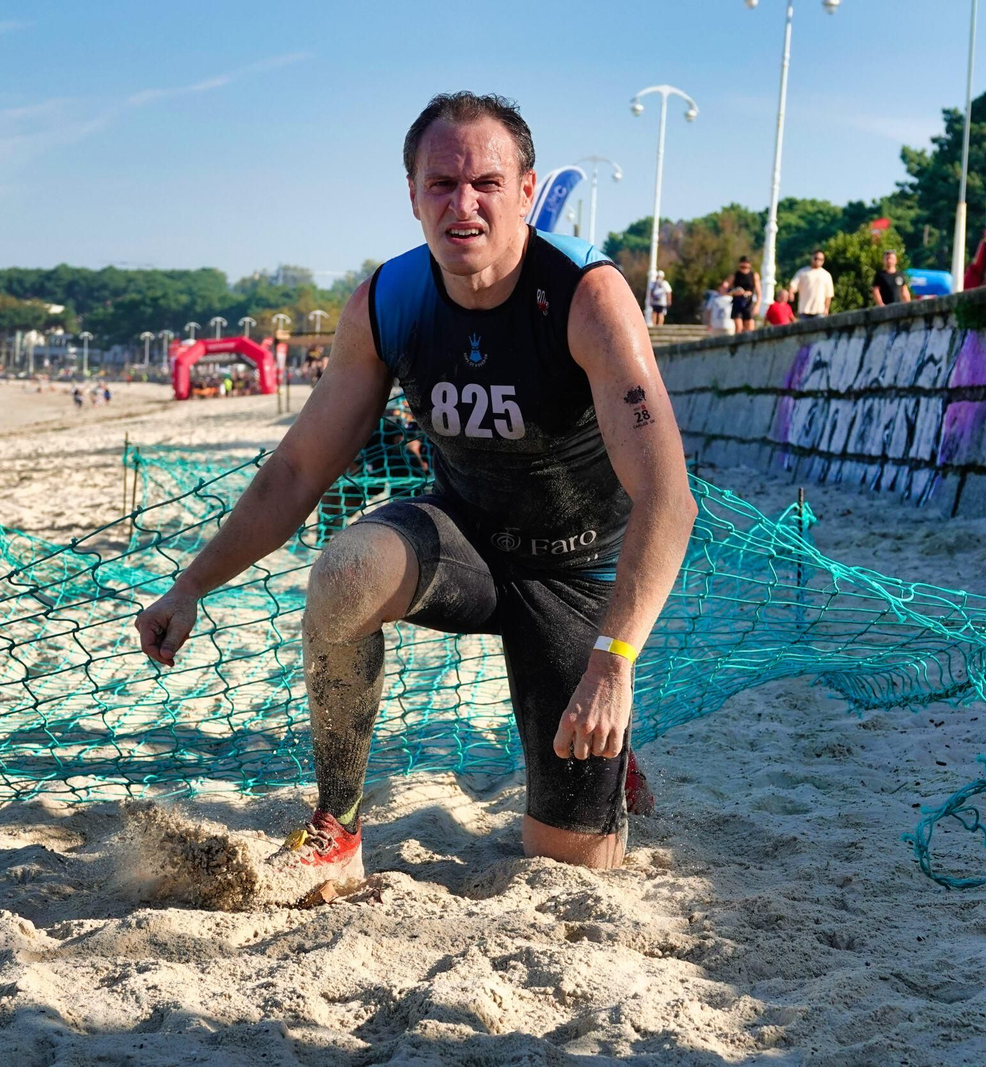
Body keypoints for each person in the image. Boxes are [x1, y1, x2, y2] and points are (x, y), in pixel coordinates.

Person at [134, 91, 695, 903]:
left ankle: (608, 759)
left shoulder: (584, 296)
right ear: (412, 196)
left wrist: (614, 661)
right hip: (463, 536)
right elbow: (297, 471)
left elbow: (668, 498)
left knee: (565, 862)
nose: (462, 205)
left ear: (527, 192)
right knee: (345, 570)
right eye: (440, 184)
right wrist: (190, 584)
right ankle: (338, 827)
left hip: (575, 572)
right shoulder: (388, 301)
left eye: (486, 184)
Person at [789, 250, 834, 320]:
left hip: (819, 311)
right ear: (812, 258)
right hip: (804, 311)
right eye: (816, 258)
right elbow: (794, 285)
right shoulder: (802, 272)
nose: (818, 261)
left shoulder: (826, 275)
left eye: (821, 259)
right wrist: (791, 293)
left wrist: (826, 308)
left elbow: (829, 295)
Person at [728, 257, 760, 334]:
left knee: (750, 328)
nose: (744, 269)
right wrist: (734, 292)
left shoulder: (753, 275)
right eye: (742, 267)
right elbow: (726, 289)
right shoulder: (735, 275)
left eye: (746, 267)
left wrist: (757, 305)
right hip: (737, 302)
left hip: (748, 302)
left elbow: (759, 292)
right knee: (739, 328)